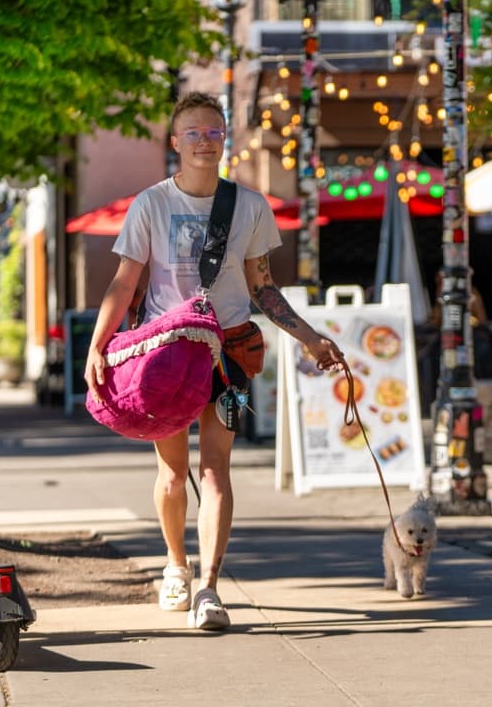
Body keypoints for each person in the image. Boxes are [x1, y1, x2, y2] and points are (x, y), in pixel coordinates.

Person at [83, 91, 344, 631]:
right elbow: (124, 280)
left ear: (226, 139)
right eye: (194, 133)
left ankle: (208, 588)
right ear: (175, 142)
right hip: (166, 360)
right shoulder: (151, 205)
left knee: (216, 469)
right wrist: (98, 345)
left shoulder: (249, 206)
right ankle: (176, 565)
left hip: (230, 357)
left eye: (215, 132)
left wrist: (310, 337)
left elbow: (264, 290)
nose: (206, 141)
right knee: (174, 473)